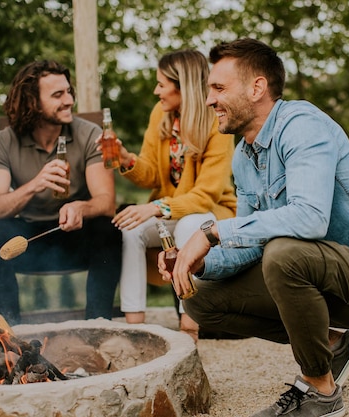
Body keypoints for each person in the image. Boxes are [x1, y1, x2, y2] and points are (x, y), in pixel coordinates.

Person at [162, 38, 349, 417]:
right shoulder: (244, 156)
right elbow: (250, 245)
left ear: (257, 87)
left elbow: (310, 218)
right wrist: (200, 263)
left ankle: (321, 392)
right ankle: (333, 346)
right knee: (200, 298)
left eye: (219, 88)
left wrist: (211, 233)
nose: (209, 100)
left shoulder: (302, 125)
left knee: (284, 253)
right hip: (319, 277)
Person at [0, 60, 122, 326]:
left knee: (107, 228)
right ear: (32, 102)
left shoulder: (89, 133)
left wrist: (81, 207)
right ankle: (11, 334)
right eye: (58, 95)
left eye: (69, 92)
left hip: (73, 233)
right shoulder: (2, 141)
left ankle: (98, 326)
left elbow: (106, 201)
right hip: (29, 239)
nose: (69, 100)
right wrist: (36, 183)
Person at [111, 50, 236, 339]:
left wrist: (156, 208)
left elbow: (205, 196)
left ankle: (189, 325)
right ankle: (136, 328)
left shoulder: (217, 122)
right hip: (171, 211)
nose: (156, 92)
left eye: (161, 85)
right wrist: (126, 159)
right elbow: (152, 174)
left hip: (211, 214)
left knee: (190, 226)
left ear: (183, 86)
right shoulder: (161, 114)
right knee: (131, 230)